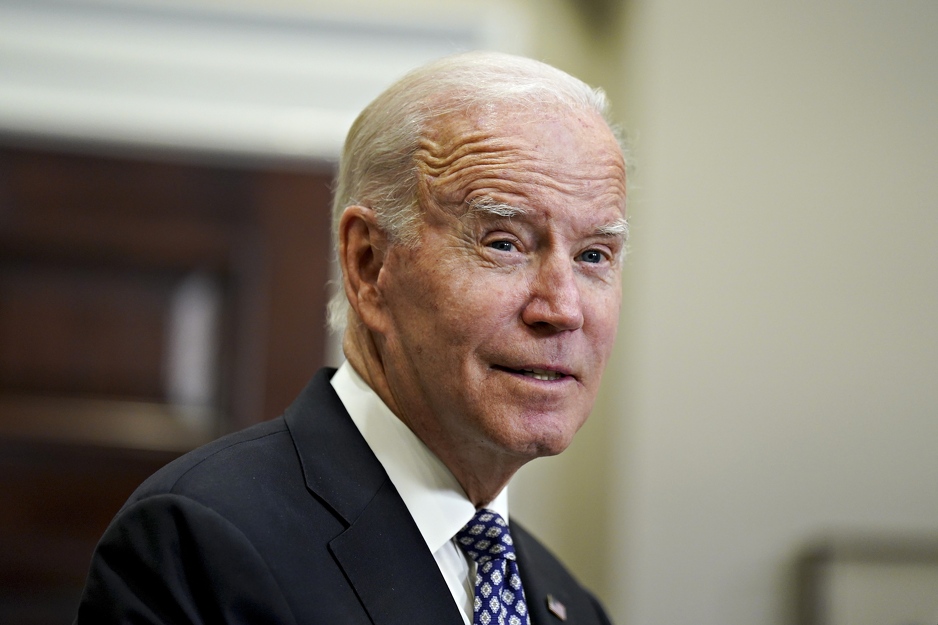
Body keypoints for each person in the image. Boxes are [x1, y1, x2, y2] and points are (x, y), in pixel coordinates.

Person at [75, 50, 628, 625]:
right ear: (368, 264)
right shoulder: (199, 544)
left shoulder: (572, 607)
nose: (562, 310)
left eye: (594, 255)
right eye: (504, 243)